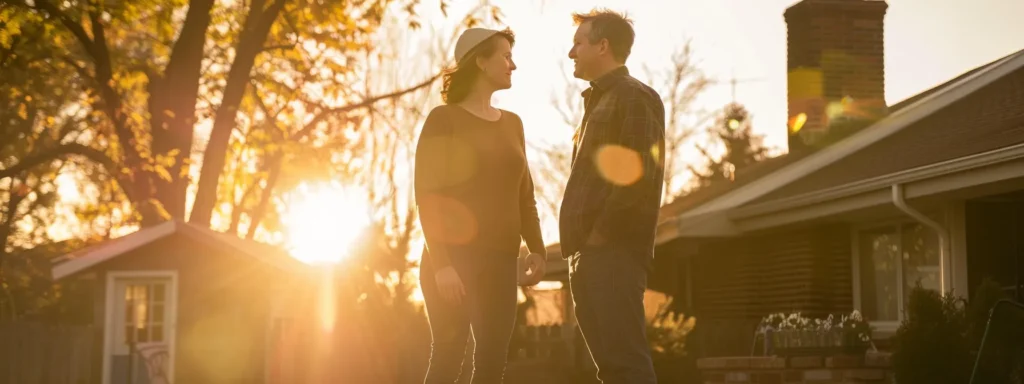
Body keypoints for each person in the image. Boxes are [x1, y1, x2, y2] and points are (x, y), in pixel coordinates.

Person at [414, 27, 547, 384]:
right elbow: (427, 195)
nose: (513, 65)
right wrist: (442, 265)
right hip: (453, 261)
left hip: (503, 263)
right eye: (505, 56)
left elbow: (524, 195)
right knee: (448, 357)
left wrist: (537, 248)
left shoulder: (513, 124)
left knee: (491, 363)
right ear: (481, 62)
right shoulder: (444, 120)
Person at [558, 9, 666, 384]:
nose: (571, 53)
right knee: (611, 370)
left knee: (626, 365)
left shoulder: (635, 97)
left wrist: (597, 238)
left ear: (603, 46)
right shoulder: (596, 103)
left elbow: (637, 178)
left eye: (578, 43)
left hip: (613, 253)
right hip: (587, 255)